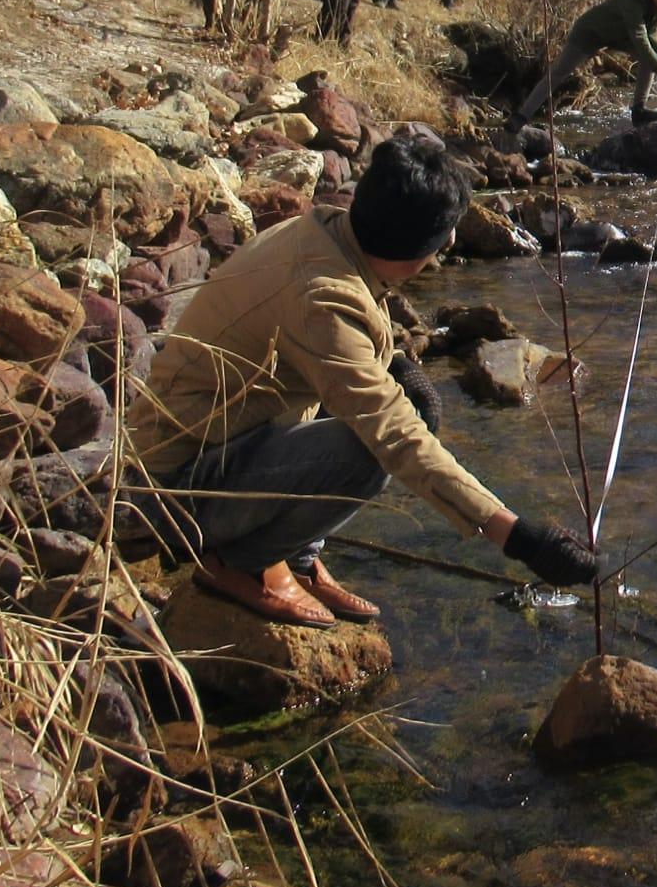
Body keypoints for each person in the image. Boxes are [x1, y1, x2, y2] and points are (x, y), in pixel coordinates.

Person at [126, 128, 601, 625]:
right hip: (176, 493)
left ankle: (298, 555)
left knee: (406, 407)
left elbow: (339, 343)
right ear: (415, 253)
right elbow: (393, 437)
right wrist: (518, 537)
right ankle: (241, 563)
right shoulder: (323, 298)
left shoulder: (324, 232)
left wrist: (391, 359)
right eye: (446, 235)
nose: (452, 241)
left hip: (225, 444)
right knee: (369, 450)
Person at [518, 0, 657, 128]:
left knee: (649, 59)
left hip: (620, 36)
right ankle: (521, 117)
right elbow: (640, 38)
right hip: (590, 34)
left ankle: (639, 112)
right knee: (558, 73)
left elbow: (649, 34)